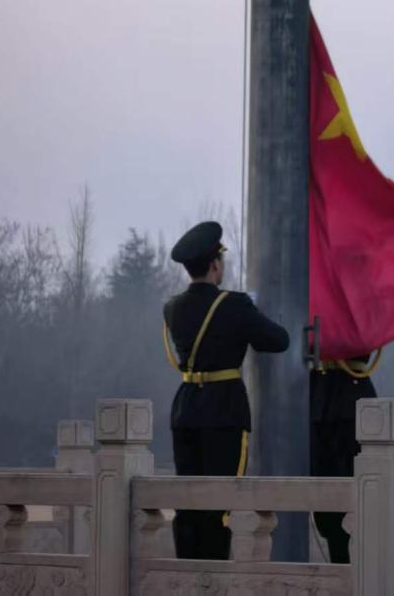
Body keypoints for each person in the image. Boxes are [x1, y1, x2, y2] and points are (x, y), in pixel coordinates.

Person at [163, 220, 290, 560]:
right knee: (219, 506)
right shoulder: (234, 305)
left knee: (187, 502)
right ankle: (212, 578)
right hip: (223, 411)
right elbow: (278, 340)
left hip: (185, 410)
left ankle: (185, 573)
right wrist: (251, 312)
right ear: (215, 264)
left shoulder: (172, 307)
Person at [310, 351, 379, 562]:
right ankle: (339, 563)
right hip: (323, 399)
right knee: (328, 503)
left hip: (352, 400)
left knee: (359, 496)